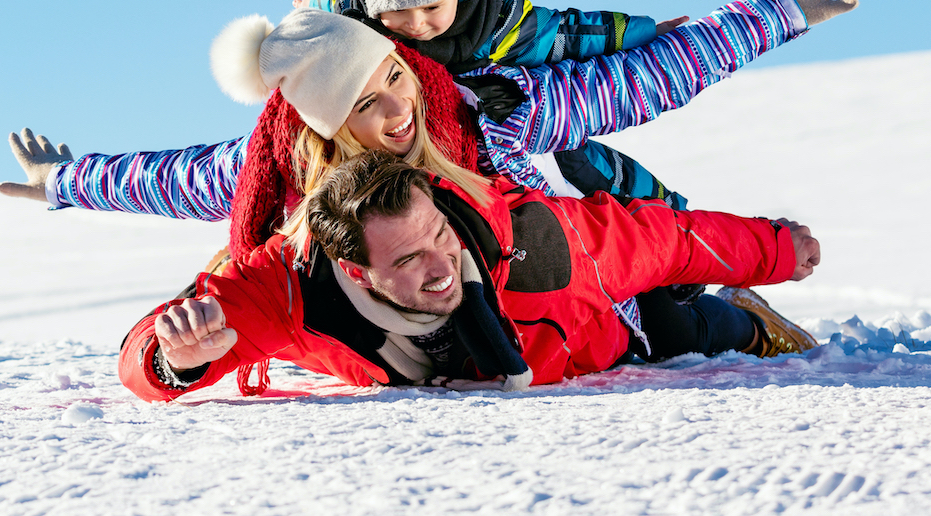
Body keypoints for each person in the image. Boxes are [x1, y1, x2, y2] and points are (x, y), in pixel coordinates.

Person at [0, 0, 859, 263]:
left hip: (560, 293)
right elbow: (171, 177)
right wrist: (65, 182)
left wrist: (783, 11)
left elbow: (645, 75)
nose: (396, 107)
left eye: (395, 77)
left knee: (654, 271)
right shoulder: (290, 163)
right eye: (364, 103)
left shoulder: (497, 109)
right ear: (326, 125)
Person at [119, 150, 823, 403]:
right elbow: (148, 355)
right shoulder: (291, 290)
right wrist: (171, 358)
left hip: (606, 335)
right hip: (512, 360)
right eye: (405, 261)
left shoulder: (543, 245)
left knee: (688, 327)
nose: (438, 268)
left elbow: (669, 237)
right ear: (355, 275)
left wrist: (780, 250)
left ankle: (750, 319)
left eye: (437, 237)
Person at [299, 0, 696, 199]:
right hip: (428, 143)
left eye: (432, 8)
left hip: (508, 120)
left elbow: (564, 34)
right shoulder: (354, 5)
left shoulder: (495, 19)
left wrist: (640, 33)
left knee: (583, 166)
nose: (416, 24)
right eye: (399, 11)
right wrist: (305, 7)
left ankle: (671, 215)